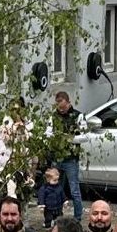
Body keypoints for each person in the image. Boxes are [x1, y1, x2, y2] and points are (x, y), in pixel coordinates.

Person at [0, 97, 33, 197]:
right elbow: (7, 140)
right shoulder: (6, 124)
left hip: (22, 162)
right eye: (13, 109)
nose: (15, 112)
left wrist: (23, 129)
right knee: (4, 194)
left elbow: (29, 140)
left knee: (22, 193)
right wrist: (14, 128)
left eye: (18, 109)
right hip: (6, 162)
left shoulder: (28, 123)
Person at [52, 91, 83, 221]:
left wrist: (69, 139)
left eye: (63, 107)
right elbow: (48, 132)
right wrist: (54, 137)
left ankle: (77, 218)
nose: (62, 110)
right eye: (59, 108)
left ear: (68, 102)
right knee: (54, 189)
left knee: (74, 190)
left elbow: (84, 137)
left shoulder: (78, 116)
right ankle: (56, 216)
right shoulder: (54, 116)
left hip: (71, 159)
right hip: (57, 157)